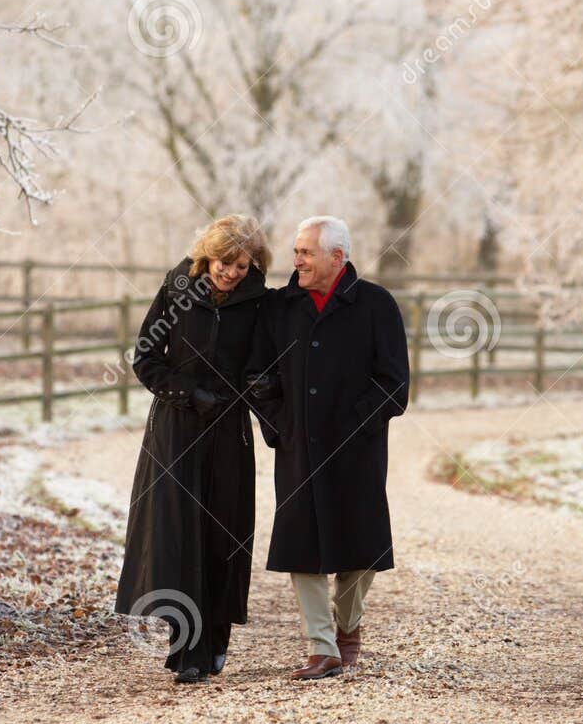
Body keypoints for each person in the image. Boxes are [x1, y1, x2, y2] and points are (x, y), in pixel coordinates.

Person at [249, 217, 410, 681]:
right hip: (298, 447)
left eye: (306, 252)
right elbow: (257, 377)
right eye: (296, 251)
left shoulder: (376, 305)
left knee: (360, 546)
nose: (296, 259)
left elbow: (394, 384)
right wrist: (281, 426)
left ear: (337, 257)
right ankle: (322, 646)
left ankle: (348, 625)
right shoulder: (280, 307)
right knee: (302, 544)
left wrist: (353, 424)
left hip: (357, 448)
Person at [116, 214, 270, 683]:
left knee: (223, 534)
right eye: (225, 262)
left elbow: (265, 363)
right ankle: (186, 647)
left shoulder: (259, 301)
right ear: (208, 255)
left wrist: (254, 390)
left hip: (228, 429)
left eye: (242, 265)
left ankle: (215, 638)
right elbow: (145, 359)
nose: (231, 273)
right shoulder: (178, 286)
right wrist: (187, 394)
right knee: (179, 533)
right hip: (177, 429)